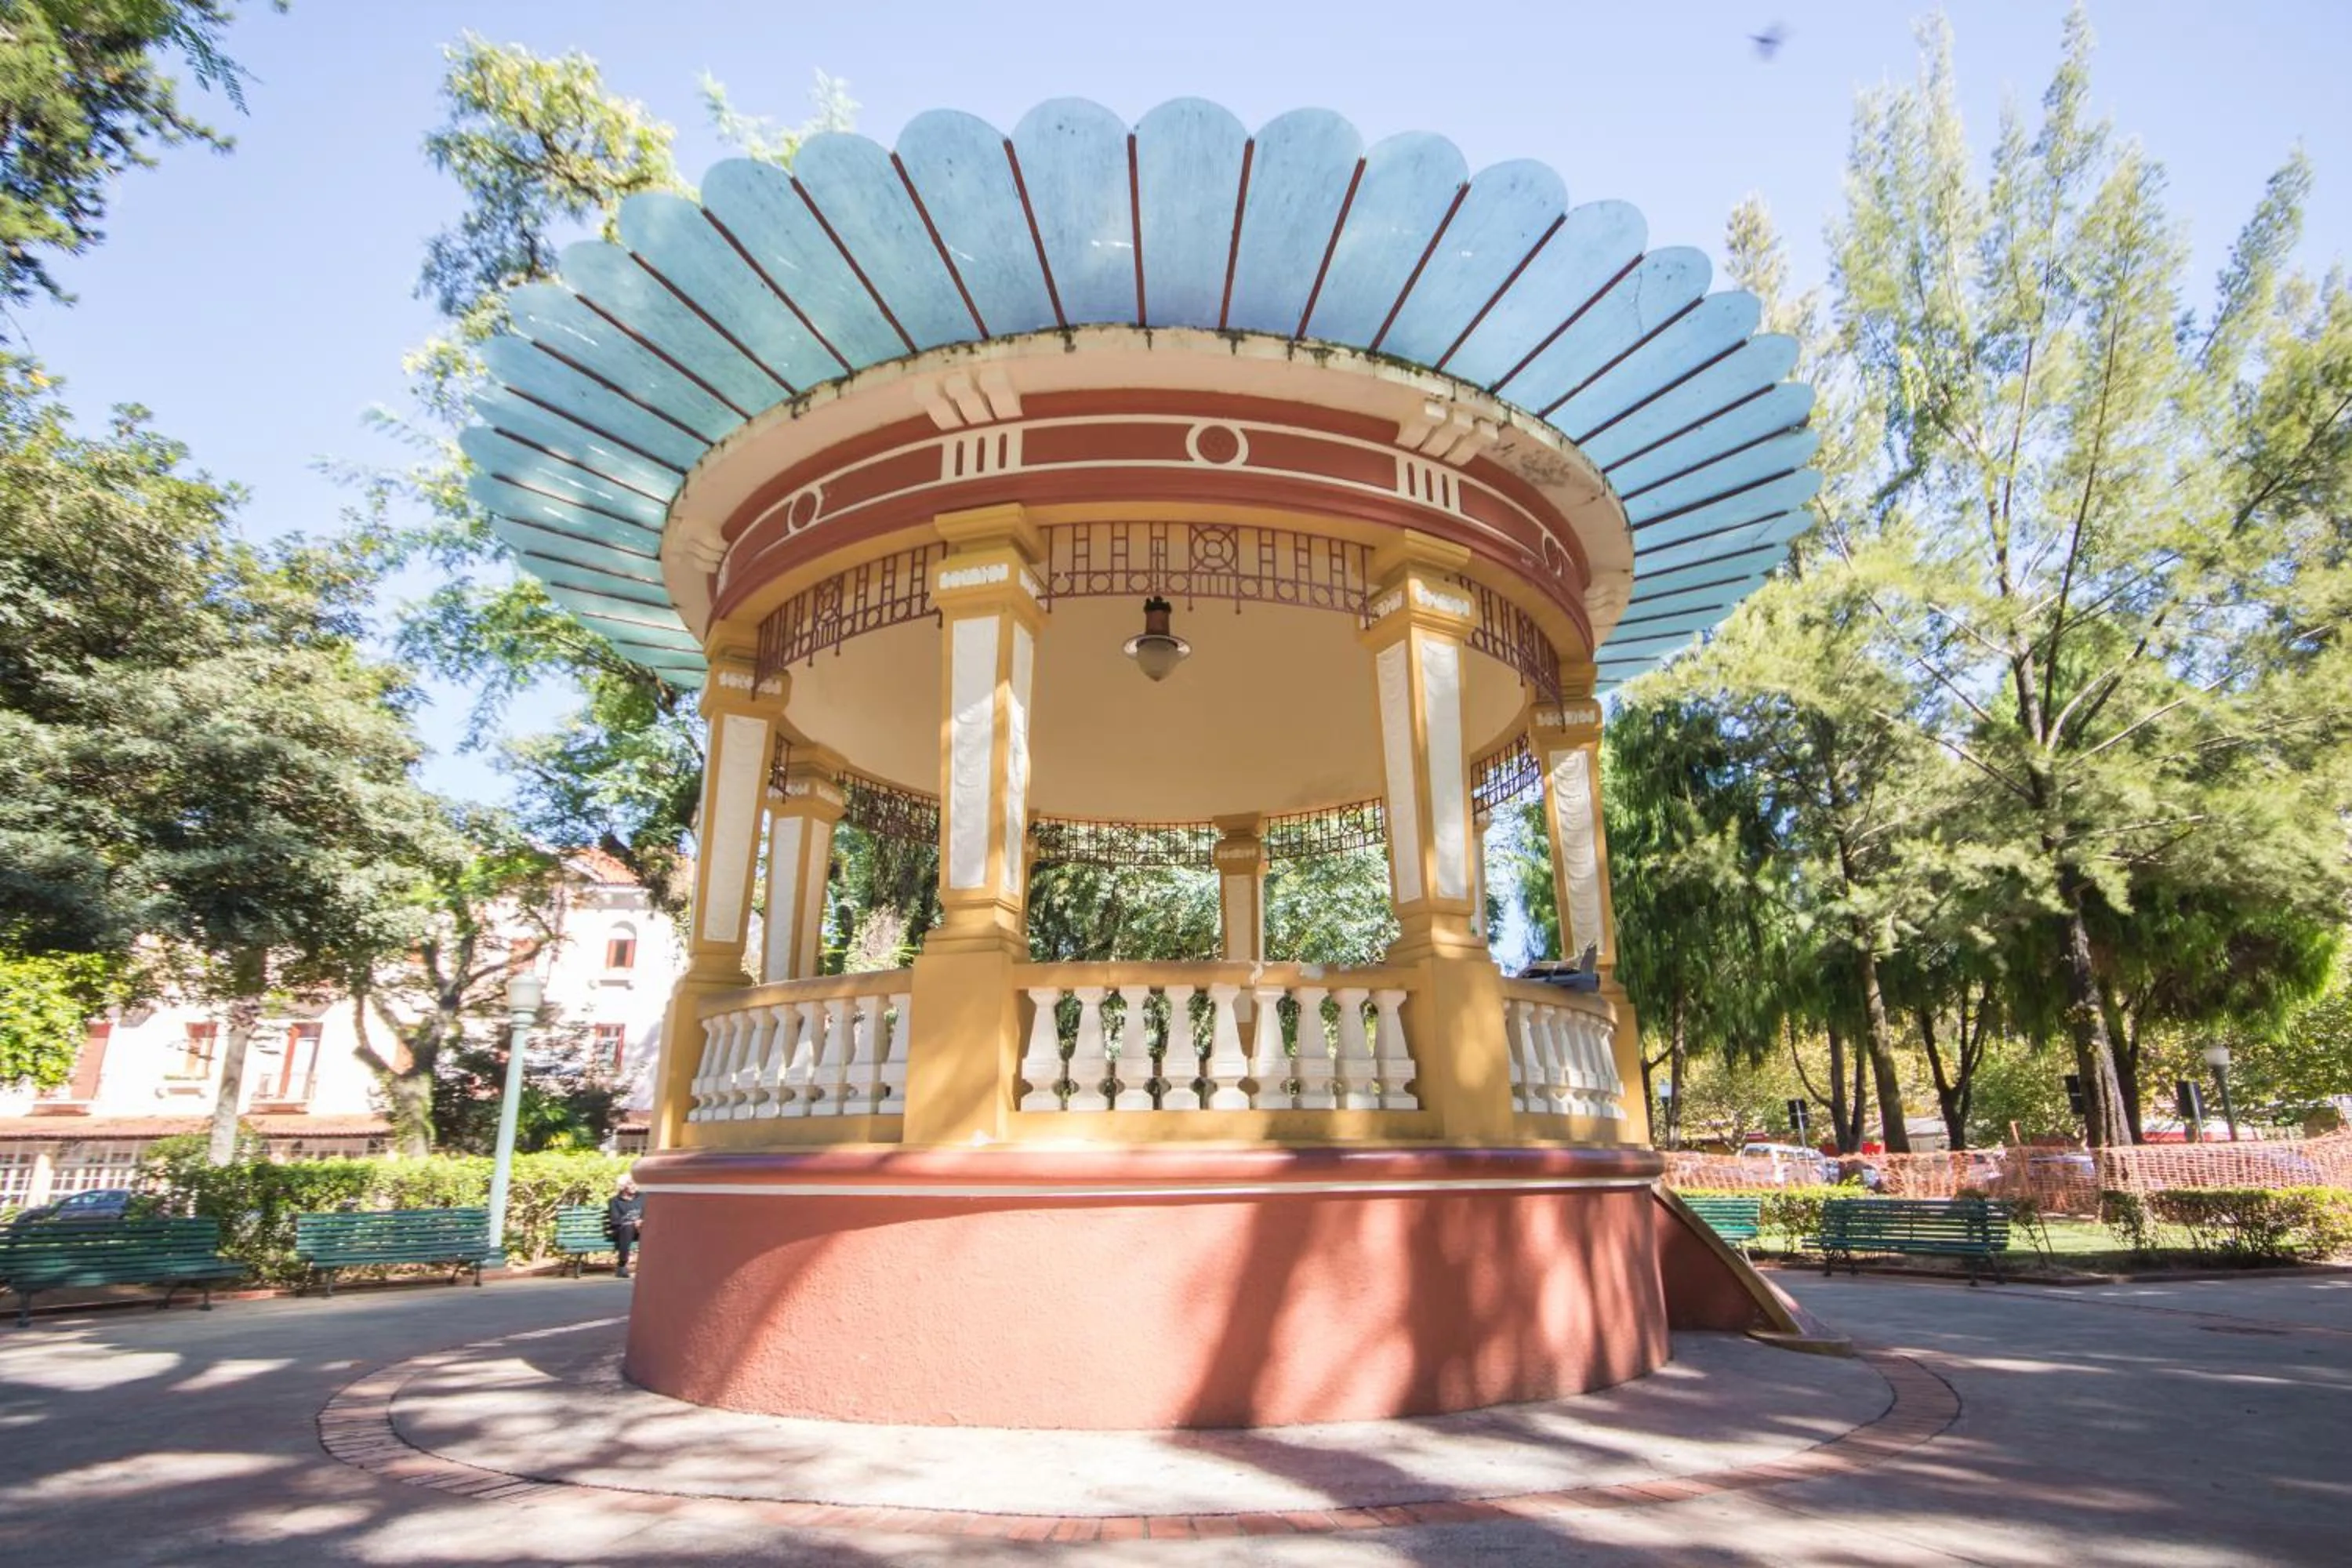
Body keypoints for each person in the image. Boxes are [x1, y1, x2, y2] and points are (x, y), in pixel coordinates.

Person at [605, 1174, 645, 1279]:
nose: (634, 1186)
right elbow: (615, 1220)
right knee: (628, 1228)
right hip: (622, 1232)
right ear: (623, 1187)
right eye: (631, 1184)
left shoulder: (643, 1197)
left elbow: (650, 1213)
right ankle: (622, 1264)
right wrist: (633, 1222)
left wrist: (642, 1221)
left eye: (635, 1183)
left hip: (641, 1230)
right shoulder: (615, 1201)